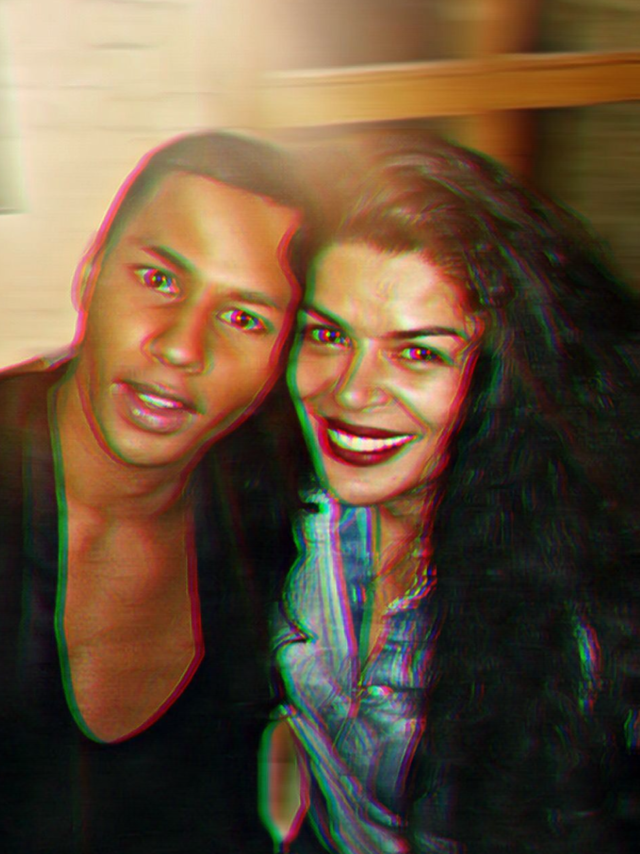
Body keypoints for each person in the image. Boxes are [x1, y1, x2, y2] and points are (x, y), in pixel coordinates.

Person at [271, 131, 640, 854]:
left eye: (418, 353)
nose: (352, 391)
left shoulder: (587, 616)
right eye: (328, 335)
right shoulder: (290, 507)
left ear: (506, 375)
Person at [0, 131, 309, 853]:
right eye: (159, 279)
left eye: (244, 318)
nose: (181, 347)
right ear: (91, 273)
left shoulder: (281, 508)